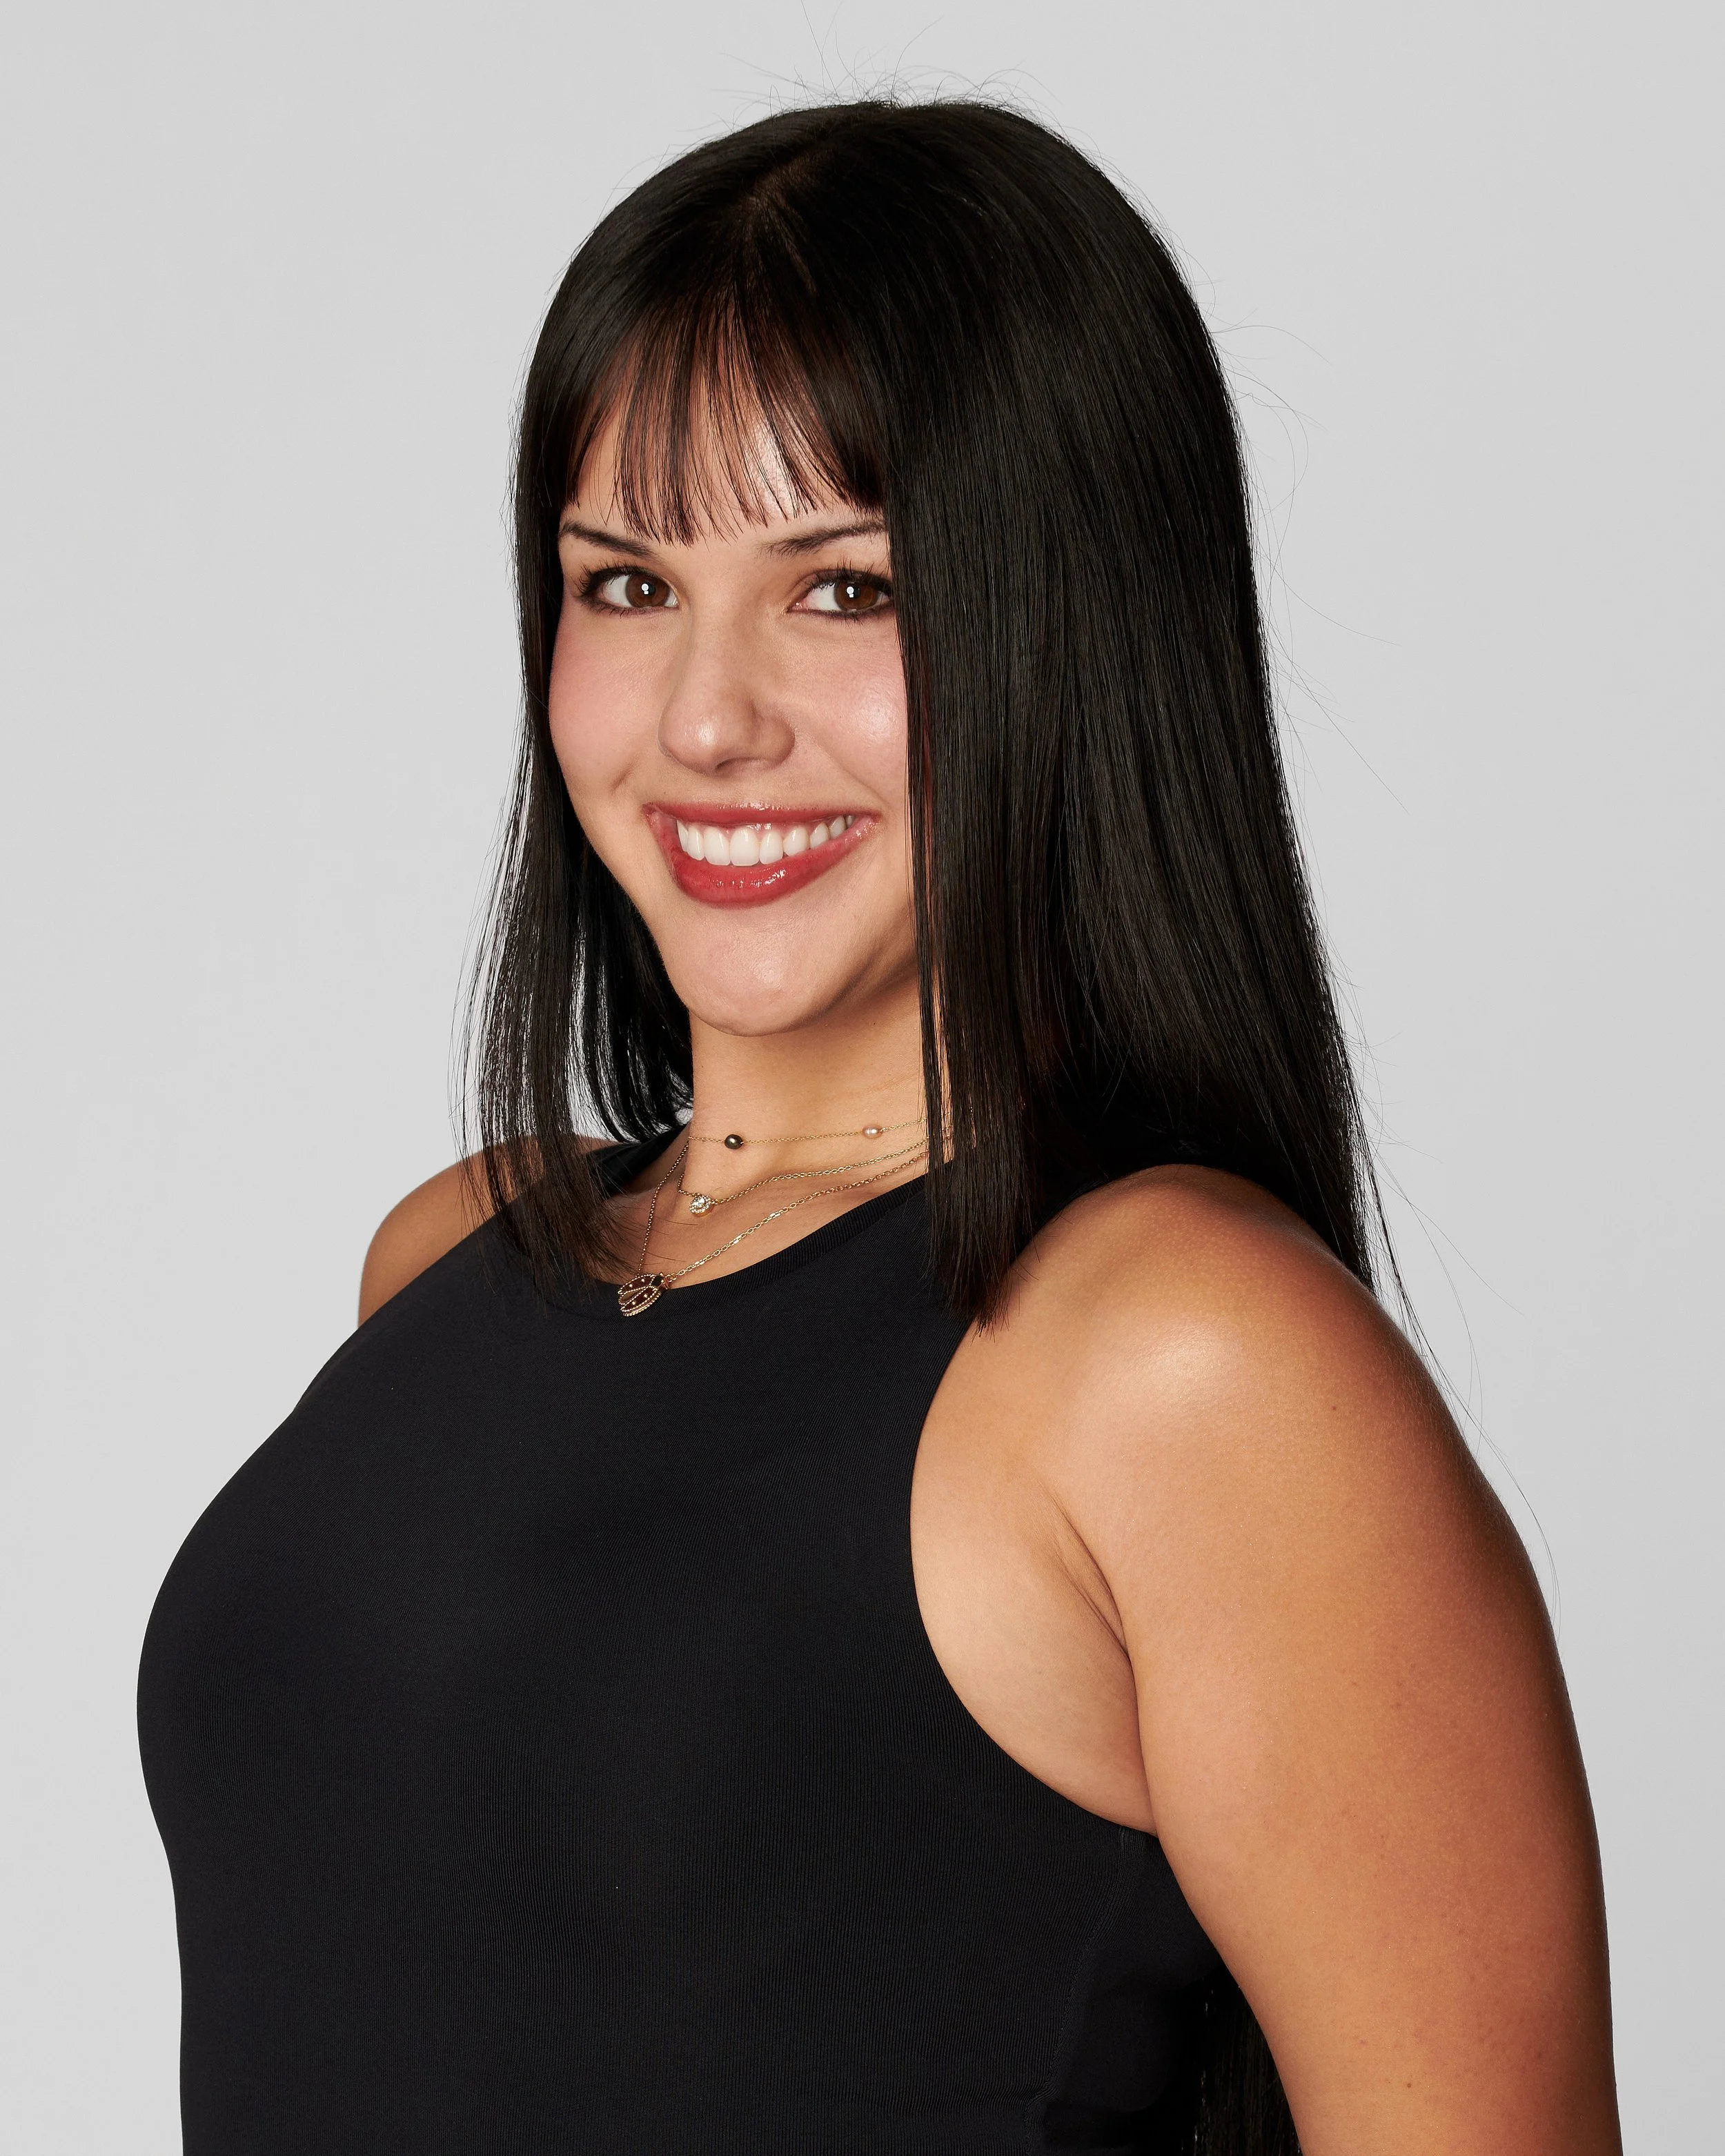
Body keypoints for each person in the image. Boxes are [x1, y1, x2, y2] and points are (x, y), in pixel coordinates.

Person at [137, 98, 1620, 2155]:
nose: (708, 717)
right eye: (625, 582)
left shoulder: (1175, 1361)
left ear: (1068, 628)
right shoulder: (451, 1258)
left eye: (845, 592)